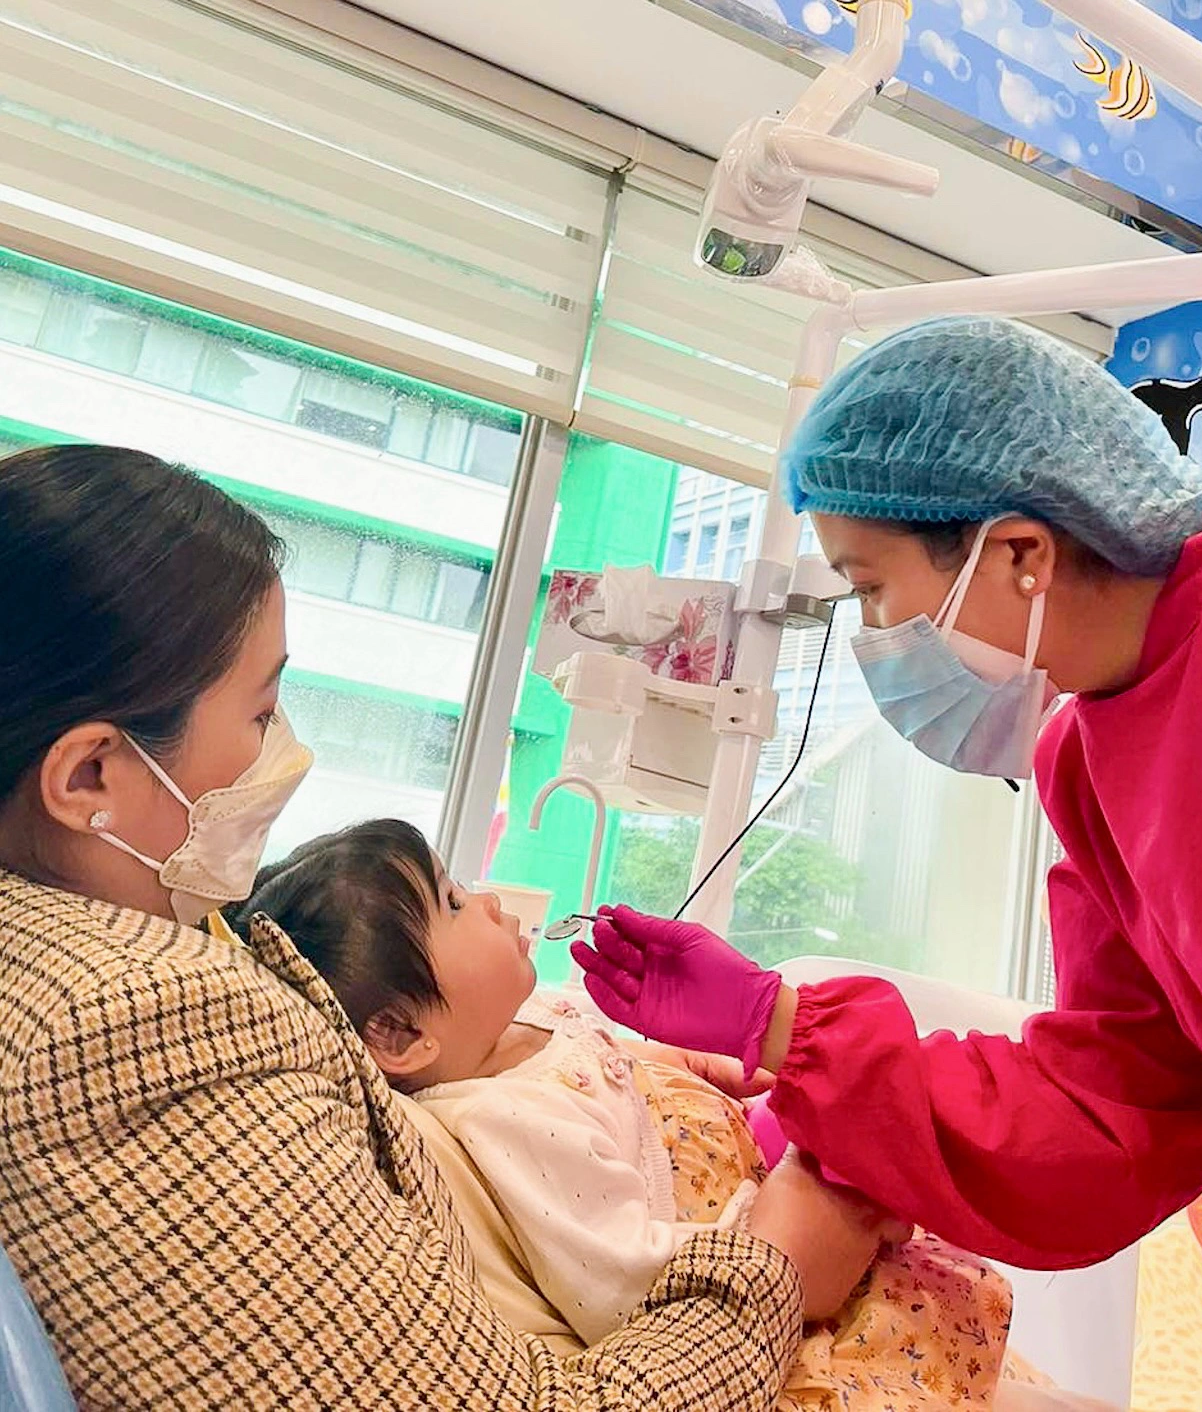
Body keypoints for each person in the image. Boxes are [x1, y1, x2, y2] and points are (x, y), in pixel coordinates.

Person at [573, 316, 1202, 1412]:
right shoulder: (1092, 751)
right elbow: (1114, 1107)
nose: (874, 636)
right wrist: (791, 1034)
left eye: (871, 590)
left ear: (1020, 552)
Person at [0, 443, 890, 1411]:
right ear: (89, 776)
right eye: (261, 713)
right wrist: (779, 1266)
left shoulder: (115, 944)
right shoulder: (127, 1029)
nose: (285, 750)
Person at [234, 818, 1024, 1412]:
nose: (489, 899)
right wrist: (792, 1205)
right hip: (758, 1263)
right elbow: (625, 1278)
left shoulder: (523, 1019)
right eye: (452, 901)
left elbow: (598, 1061)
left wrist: (692, 1066)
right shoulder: (499, 1127)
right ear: (401, 1033)